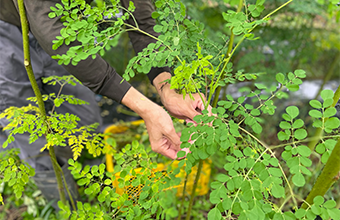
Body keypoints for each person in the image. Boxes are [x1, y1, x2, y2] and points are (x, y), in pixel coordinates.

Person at [0, 0, 207, 170]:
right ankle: (59, 205)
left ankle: (89, 182)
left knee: (85, 124)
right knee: (29, 134)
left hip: (67, 26)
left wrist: (167, 86)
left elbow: (140, 15)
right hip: (8, 27)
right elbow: (56, 38)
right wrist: (146, 108)